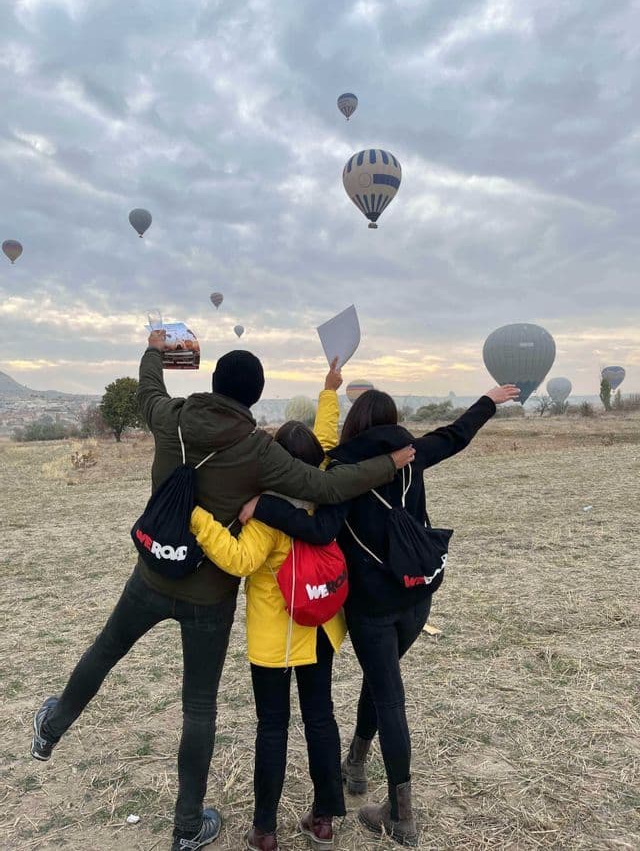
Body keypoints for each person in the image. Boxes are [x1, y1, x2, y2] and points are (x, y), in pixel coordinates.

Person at [30, 333, 415, 851]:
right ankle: (187, 827)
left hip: (151, 573)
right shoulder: (258, 451)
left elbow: (148, 387)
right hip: (209, 597)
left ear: (213, 383)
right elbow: (323, 487)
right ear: (255, 398)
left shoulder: (170, 418)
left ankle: (53, 725)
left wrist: (156, 350)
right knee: (199, 708)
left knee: (105, 649)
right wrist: (388, 465)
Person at [239, 385, 520, 847]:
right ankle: (355, 760)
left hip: (370, 607)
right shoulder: (412, 453)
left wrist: (265, 504)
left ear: (355, 423)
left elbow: (318, 524)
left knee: (387, 693)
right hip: (416, 595)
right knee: (382, 680)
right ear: (392, 420)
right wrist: (488, 400)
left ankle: (401, 813)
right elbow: (457, 434)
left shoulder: (342, 469)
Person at [189, 358, 348, 851]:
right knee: (320, 720)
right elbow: (325, 439)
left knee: (272, 729)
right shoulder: (322, 488)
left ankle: (264, 829)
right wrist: (329, 390)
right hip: (320, 627)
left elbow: (238, 560)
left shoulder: (265, 513)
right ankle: (323, 821)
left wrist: (198, 517)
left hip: (274, 642)